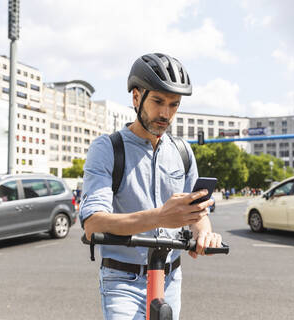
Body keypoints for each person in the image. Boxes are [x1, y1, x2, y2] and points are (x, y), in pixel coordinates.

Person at [79, 53, 222, 320]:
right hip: (122, 280)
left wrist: (205, 233)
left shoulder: (182, 151)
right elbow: (93, 224)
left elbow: (197, 213)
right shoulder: (108, 148)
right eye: (158, 101)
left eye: (174, 105)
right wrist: (160, 217)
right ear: (136, 97)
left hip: (170, 278)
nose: (166, 114)